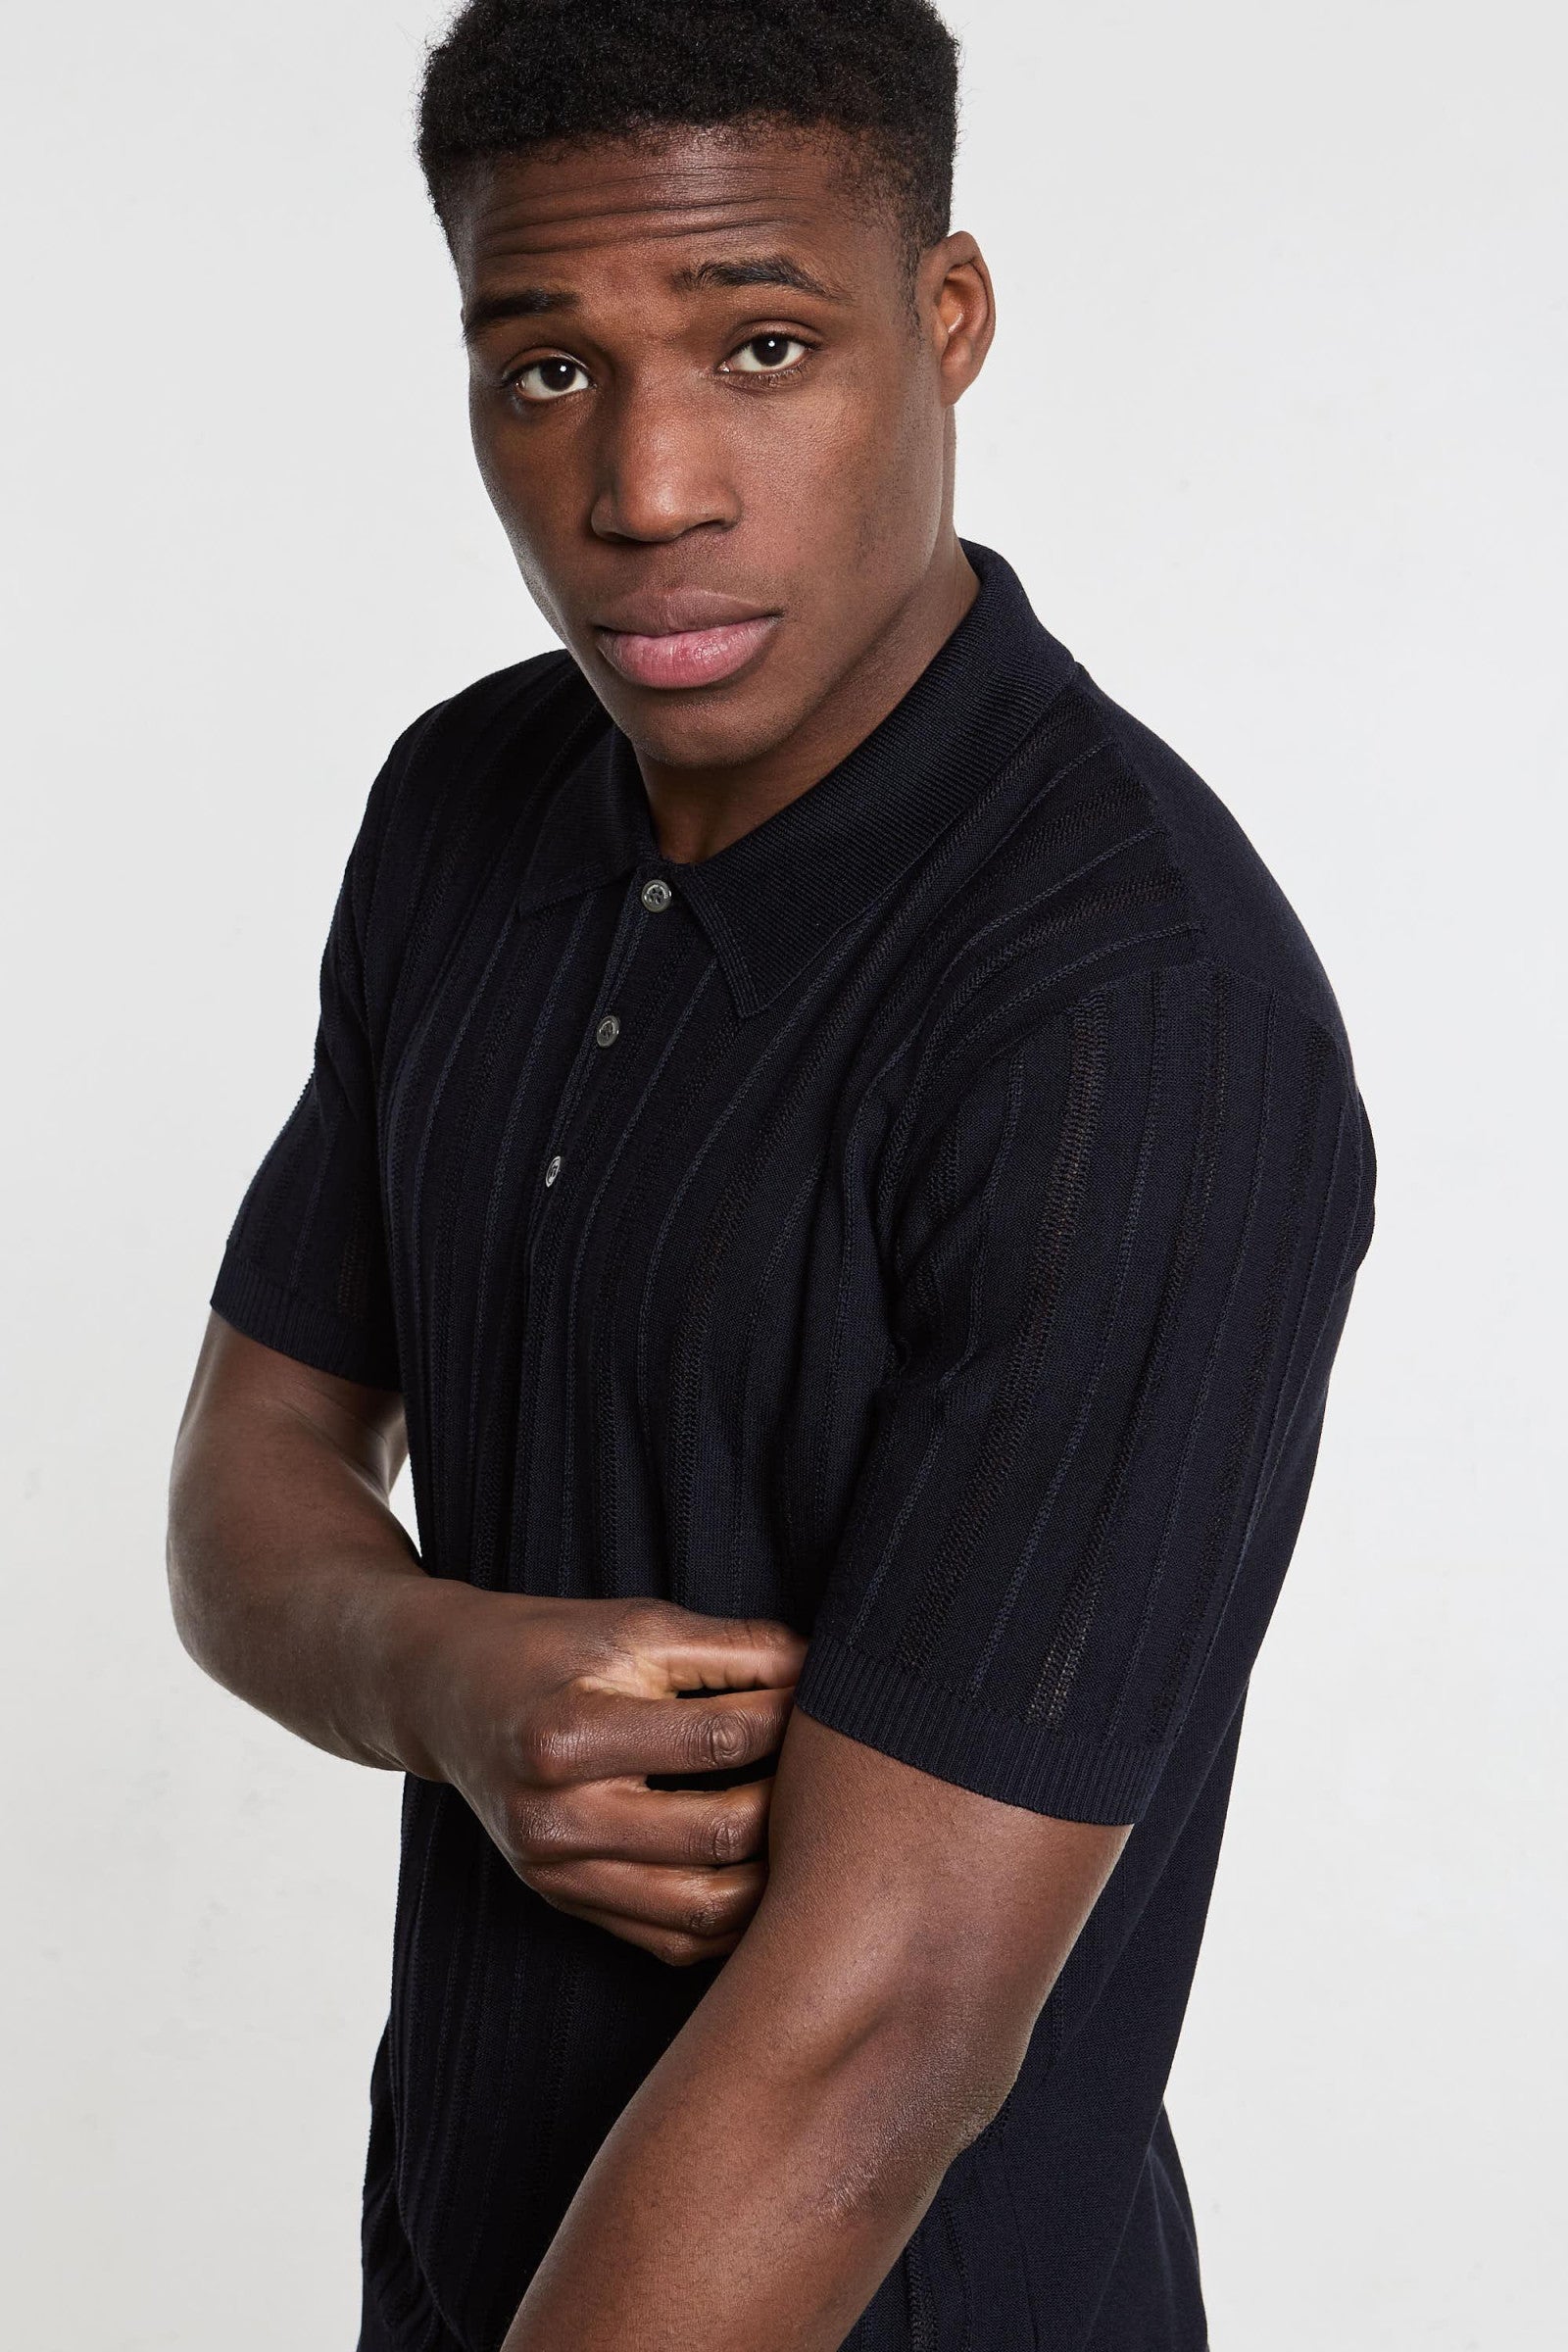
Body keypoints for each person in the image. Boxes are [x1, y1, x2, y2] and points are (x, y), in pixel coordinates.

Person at [166, 3, 1376, 2346]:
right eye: (545, 369)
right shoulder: (463, 808)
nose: (642, 489)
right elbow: (249, 1473)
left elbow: (876, 2042)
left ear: (946, 320)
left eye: (759, 345)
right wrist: (446, 1677)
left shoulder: (1132, 1018)